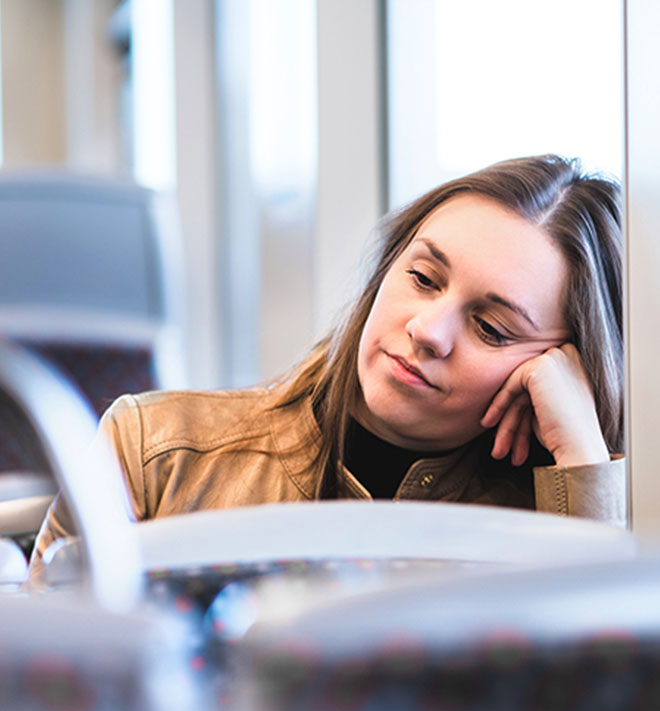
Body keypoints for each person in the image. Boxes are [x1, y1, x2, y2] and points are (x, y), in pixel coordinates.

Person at [28, 154, 625, 583]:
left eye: (490, 329)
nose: (427, 330)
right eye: (421, 278)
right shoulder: (153, 451)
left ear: (555, 367)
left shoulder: (543, 522)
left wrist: (582, 466)